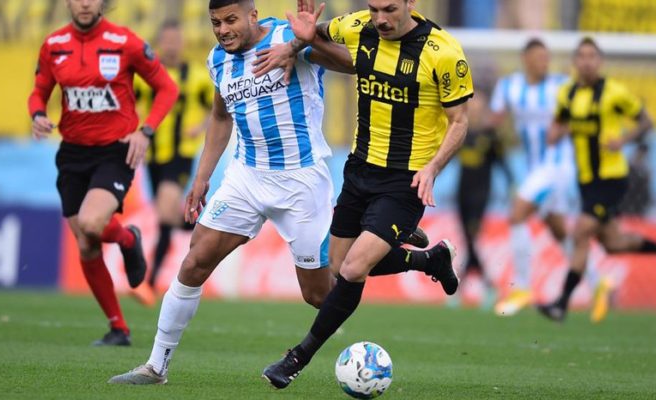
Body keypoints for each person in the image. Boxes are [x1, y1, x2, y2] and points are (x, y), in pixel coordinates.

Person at [107, 0, 438, 385]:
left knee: (319, 294)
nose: (223, 30)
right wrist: (202, 176)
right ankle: (155, 366)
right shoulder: (218, 59)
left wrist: (305, 40)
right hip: (246, 177)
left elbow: (354, 65)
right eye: (216, 22)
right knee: (195, 261)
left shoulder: (286, 38)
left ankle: (407, 252)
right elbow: (219, 116)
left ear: (252, 15)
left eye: (231, 20)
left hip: (301, 182)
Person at [259, 0, 471, 389]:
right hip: (359, 170)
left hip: (406, 179)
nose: (380, 19)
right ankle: (429, 260)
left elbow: (460, 120)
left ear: (410, 3)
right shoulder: (359, 26)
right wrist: (297, 44)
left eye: (389, 9)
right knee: (338, 267)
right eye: (374, 9)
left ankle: (296, 358)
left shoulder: (443, 52)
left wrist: (433, 168)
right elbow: (326, 42)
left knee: (355, 269)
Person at [27, 0, 179, 345]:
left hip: (115, 151)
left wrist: (146, 131)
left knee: (92, 224)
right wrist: (37, 114)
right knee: (85, 243)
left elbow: (167, 89)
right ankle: (118, 328)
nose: (84, 3)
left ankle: (127, 239)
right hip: (72, 154)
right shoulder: (53, 46)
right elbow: (38, 92)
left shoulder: (125, 42)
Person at [538, 37, 656, 322]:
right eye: (581, 56)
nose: (586, 61)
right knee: (612, 243)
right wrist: (555, 133)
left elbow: (647, 121)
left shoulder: (614, 92)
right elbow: (558, 124)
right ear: (575, 62)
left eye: (592, 56)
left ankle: (562, 303)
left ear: (599, 61)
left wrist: (623, 140)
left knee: (581, 232)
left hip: (612, 177)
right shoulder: (567, 94)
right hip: (587, 180)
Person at [489, 38, 604, 318]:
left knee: (517, 213)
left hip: (559, 166)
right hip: (534, 168)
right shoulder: (509, 86)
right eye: (539, 57)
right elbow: (494, 120)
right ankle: (598, 282)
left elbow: (582, 113)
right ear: (526, 59)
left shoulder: (561, 86)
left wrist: (567, 127)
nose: (544, 62)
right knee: (558, 230)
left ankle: (523, 287)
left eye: (547, 57)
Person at [133, 20, 215, 301]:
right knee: (166, 220)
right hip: (153, 156)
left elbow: (217, 108)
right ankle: (152, 281)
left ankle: (150, 281)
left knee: (167, 210)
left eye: (175, 40)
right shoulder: (144, 76)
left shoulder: (195, 76)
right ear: (159, 43)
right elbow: (129, 104)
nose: (171, 45)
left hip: (181, 154)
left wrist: (200, 126)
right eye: (166, 40)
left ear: (183, 43)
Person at [455, 91, 510, 304]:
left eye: (479, 109)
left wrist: (511, 185)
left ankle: (464, 287)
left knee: (471, 237)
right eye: (472, 108)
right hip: (462, 193)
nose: (475, 112)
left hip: (481, 194)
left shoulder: (490, 136)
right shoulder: (461, 132)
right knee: (469, 240)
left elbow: (502, 163)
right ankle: (485, 286)